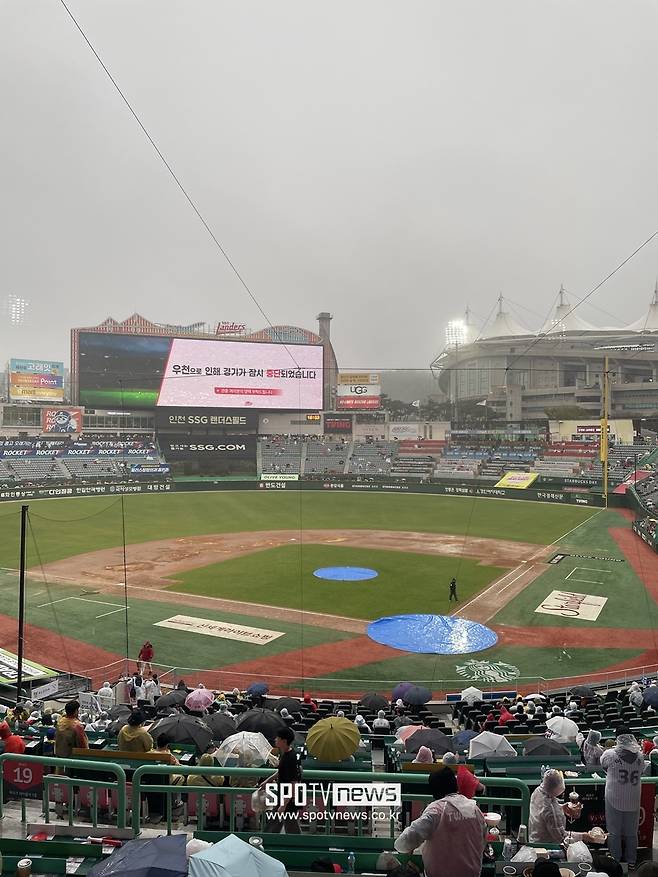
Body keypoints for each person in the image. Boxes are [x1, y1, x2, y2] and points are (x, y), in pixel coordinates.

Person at [394, 767, 486, 877]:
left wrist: (406, 847)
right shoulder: (474, 809)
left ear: (433, 791)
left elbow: (404, 842)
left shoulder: (435, 811)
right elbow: (482, 839)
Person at [600, 730, 644, 868]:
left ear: (618, 739)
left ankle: (616, 860)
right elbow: (641, 770)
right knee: (631, 832)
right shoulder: (640, 756)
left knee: (614, 831)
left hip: (614, 797)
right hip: (633, 798)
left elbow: (603, 767)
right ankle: (631, 861)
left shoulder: (609, 754)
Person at [529, 769, 596, 845]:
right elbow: (562, 837)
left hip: (534, 839)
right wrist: (583, 836)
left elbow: (542, 810)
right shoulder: (550, 811)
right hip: (547, 846)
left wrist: (560, 808)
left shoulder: (538, 791)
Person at [264, 727, 301, 833]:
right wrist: (267, 781)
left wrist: (284, 804)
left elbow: (294, 783)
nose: (275, 739)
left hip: (288, 799)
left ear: (284, 741)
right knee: (285, 826)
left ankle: (268, 840)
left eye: (278, 738)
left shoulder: (291, 758)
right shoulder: (285, 754)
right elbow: (280, 771)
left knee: (284, 826)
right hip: (284, 797)